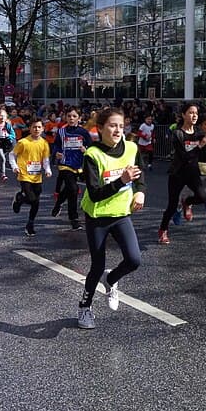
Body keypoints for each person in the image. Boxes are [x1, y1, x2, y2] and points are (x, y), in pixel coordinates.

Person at [76, 107, 146, 330]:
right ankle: (84, 307)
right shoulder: (92, 155)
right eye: (112, 125)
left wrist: (140, 191)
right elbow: (95, 194)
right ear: (101, 128)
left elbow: (140, 174)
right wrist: (121, 180)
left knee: (134, 260)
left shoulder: (132, 148)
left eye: (120, 125)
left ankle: (112, 279)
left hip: (121, 214)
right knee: (97, 266)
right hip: (97, 216)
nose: (117, 130)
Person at [157, 103, 206, 244]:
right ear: (183, 115)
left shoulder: (199, 133)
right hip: (178, 173)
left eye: (196, 113)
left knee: (202, 198)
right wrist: (199, 146)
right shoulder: (177, 134)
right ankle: (163, 230)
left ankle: (187, 202)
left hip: (193, 173)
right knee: (171, 206)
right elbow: (185, 156)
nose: (194, 115)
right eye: (190, 112)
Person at [51, 107, 92, 230]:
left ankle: (59, 202)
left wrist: (86, 149)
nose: (71, 118)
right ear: (65, 117)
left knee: (69, 188)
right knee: (73, 189)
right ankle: (73, 218)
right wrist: (57, 153)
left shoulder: (83, 132)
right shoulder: (61, 132)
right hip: (65, 164)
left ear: (79, 118)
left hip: (79, 164)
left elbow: (91, 146)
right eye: (69, 116)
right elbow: (56, 145)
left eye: (74, 116)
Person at [11, 118, 52, 237]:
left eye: (39, 127)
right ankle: (21, 199)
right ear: (30, 128)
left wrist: (48, 170)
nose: (37, 129)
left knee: (36, 201)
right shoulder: (23, 142)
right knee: (33, 199)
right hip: (24, 175)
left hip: (37, 176)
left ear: (43, 129)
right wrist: (14, 167)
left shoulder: (44, 143)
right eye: (34, 127)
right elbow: (12, 155)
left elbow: (45, 159)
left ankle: (30, 223)